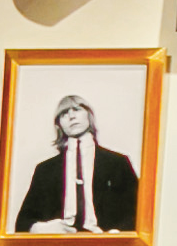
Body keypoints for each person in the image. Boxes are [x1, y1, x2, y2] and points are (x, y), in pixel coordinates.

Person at [10, 92, 138, 237]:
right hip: (59, 245)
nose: (71, 116)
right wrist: (43, 228)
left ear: (89, 115)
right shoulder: (45, 170)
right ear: (59, 124)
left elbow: (140, 212)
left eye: (77, 109)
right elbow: (22, 223)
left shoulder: (117, 163)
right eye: (64, 113)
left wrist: (117, 235)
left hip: (107, 244)